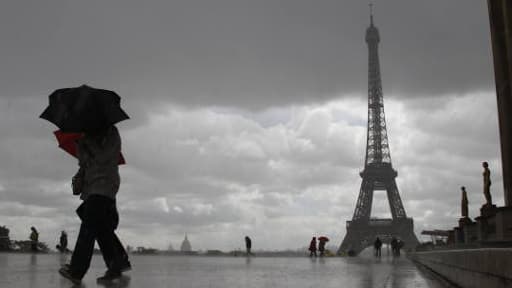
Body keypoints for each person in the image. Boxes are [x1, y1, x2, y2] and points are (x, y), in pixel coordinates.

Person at [59, 125, 131, 285]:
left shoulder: (111, 133)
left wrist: (87, 145)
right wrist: (81, 150)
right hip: (92, 188)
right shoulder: (86, 136)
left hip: (104, 186)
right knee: (101, 229)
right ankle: (116, 263)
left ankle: (77, 270)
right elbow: (85, 162)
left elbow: (104, 158)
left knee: (88, 228)